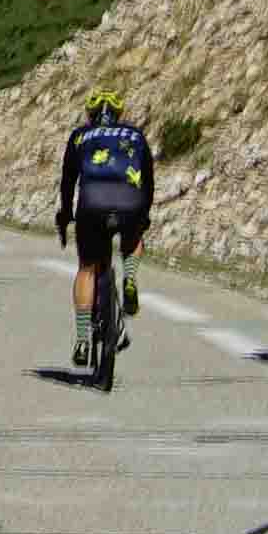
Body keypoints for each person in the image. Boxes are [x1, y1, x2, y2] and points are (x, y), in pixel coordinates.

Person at [56, 97, 158, 351]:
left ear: (90, 114)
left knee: (87, 268)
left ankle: (82, 339)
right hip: (129, 201)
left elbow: (68, 181)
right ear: (119, 113)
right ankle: (130, 277)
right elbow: (148, 180)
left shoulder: (80, 136)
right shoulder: (135, 134)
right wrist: (144, 215)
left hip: (92, 204)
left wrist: (66, 215)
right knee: (133, 242)